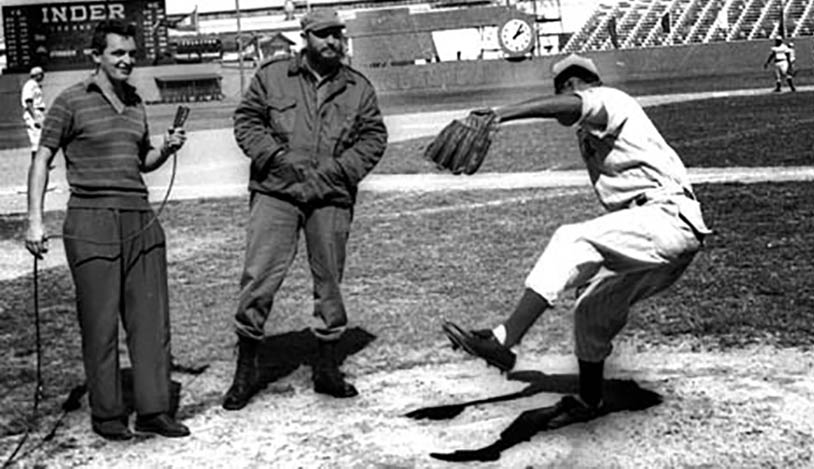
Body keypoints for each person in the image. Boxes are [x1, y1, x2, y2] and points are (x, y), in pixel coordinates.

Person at [442, 54, 710, 426]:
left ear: (579, 83)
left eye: (567, 86)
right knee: (591, 311)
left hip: (667, 218)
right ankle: (589, 400)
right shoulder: (591, 131)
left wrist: (501, 114)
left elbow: (575, 105)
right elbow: (575, 112)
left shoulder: (611, 100)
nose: (565, 94)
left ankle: (504, 339)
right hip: (658, 235)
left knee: (571, 238)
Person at [24, 19, 190, 441]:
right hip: (91, 220)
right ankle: (108, 414)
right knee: (99, 325)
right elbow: (42, 159)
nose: (127, 61)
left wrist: (165, 149)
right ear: (95, 55)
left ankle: (154, 410)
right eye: (117, 53)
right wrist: (35, 220)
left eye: (131, 54)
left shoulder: (135, 102)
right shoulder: (69, 101)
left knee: (151, 320)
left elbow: (142, 162)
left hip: (140, 217)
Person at [224, 7, 387, 410]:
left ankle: (327, 369)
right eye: (322, 35)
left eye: (337, 35)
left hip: (329, 197)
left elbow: (373, 138)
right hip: (276, 193)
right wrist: (277, 159)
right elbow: (247, 121)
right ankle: (246, 370)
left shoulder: (357, 88)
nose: (332, 42)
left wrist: (335, 173)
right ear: (305, 38)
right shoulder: (273, 75)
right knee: (258, 278)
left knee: (329, 281)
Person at [21, 66, 46, 159]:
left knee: (40, 138)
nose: (43, 76)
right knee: (37, 139)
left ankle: (38, 163)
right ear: (37, 75)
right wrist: (35, 117)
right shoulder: (30, 85)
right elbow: (28, 102)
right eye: (41, 74)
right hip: (33, 112)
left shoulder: (35, 84)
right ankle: (35, 163)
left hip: (38, 112)